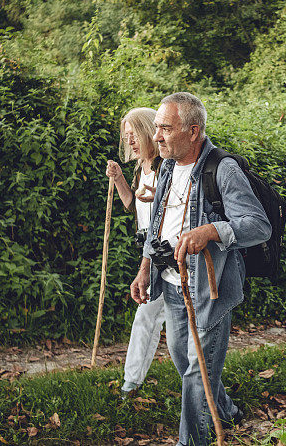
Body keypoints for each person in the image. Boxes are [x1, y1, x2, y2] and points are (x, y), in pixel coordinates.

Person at [131, 92, 271, 446]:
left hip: (209, 289)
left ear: (193, 132)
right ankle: (226, 411)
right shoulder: (166, 167)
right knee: (186, 362)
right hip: (172, 284)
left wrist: (212, 230)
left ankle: (192, 442)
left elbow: (258, 225)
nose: (157, 136)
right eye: (158, 127)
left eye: (165, 128)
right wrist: (146, 266)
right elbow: (159, 223)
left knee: (197, 371)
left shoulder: (222, 170)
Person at [105, 107, 165, 398]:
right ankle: (132, 383)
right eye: (126, 136)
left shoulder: (166, 168)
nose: (129, 141)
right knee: (152, 317)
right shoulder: (143, 168)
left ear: (149, 132)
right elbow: (133, 204)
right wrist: (118, 179)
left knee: (148, 317)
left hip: (164, 255)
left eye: (134, 134)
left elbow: (162, 219)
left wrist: (147, 262)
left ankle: (131, 385)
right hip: (150, 252)